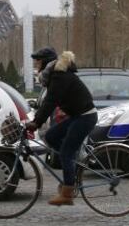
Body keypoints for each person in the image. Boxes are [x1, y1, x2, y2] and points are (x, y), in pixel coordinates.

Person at [27, 49, 97, 206]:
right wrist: (36, 120)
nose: (36, 64)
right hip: (78, 116)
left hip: (85, 117)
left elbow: (50, 101)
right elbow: (48, 103)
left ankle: (67, 194)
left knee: (66, 152)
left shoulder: (59, 76)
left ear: (45, 62)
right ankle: (70, 170)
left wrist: (36, 123)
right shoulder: (55, 75)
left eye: (37, 61)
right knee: (51, 136)